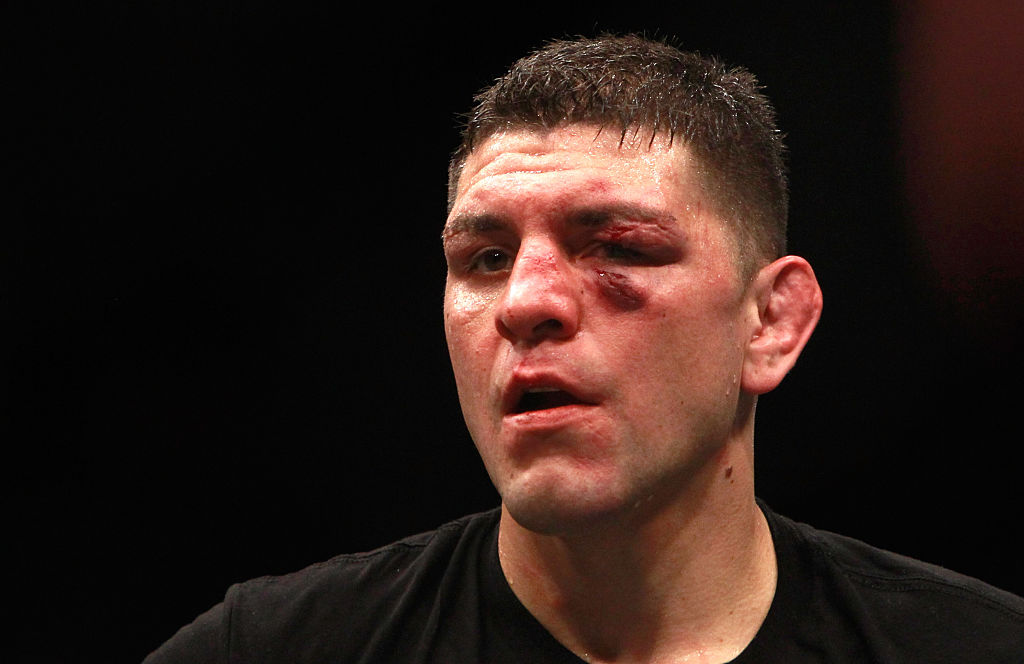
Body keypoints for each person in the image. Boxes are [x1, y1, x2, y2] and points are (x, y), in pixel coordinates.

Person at [144, 34, 1024, 663]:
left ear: (772, 323)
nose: (524, 302)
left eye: (618, 248)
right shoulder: (266, 649)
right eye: (484, 260)